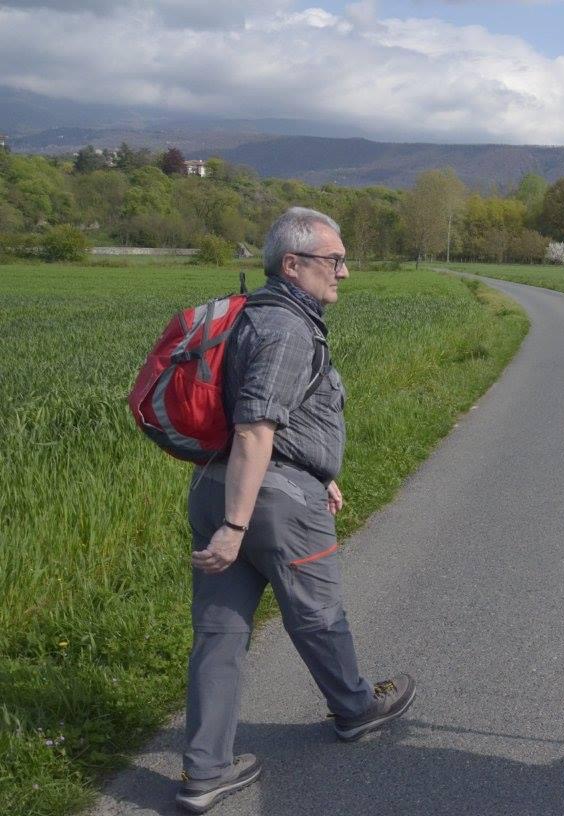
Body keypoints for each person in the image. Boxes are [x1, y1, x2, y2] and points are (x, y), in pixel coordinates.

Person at [176, 208, 416, 813]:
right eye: (333, 261)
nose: (344, 272)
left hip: (220, 484)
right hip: (265, 503)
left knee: (219, 632)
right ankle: (356, 709)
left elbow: (273, 423)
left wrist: (318, 473)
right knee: (317, 614)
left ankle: (205, 770)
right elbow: (256, 426)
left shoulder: (250, 317)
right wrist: (237, 526)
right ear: (293, 264)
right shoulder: (287, 328)